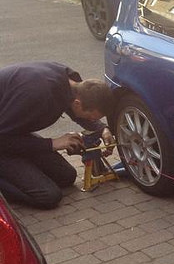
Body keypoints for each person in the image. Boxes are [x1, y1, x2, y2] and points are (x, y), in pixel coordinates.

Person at [0, 61, 116, 209]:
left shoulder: (72, 83)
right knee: (48, 196)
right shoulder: (36, 96)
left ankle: (20, 169)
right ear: (77, 103)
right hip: (4, 139)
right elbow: (3, 139)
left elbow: (77, 111)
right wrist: (53, 144)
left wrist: (102, 129)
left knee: (66, 176)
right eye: (91, 117)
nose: (91, 120)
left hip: (12, 132)